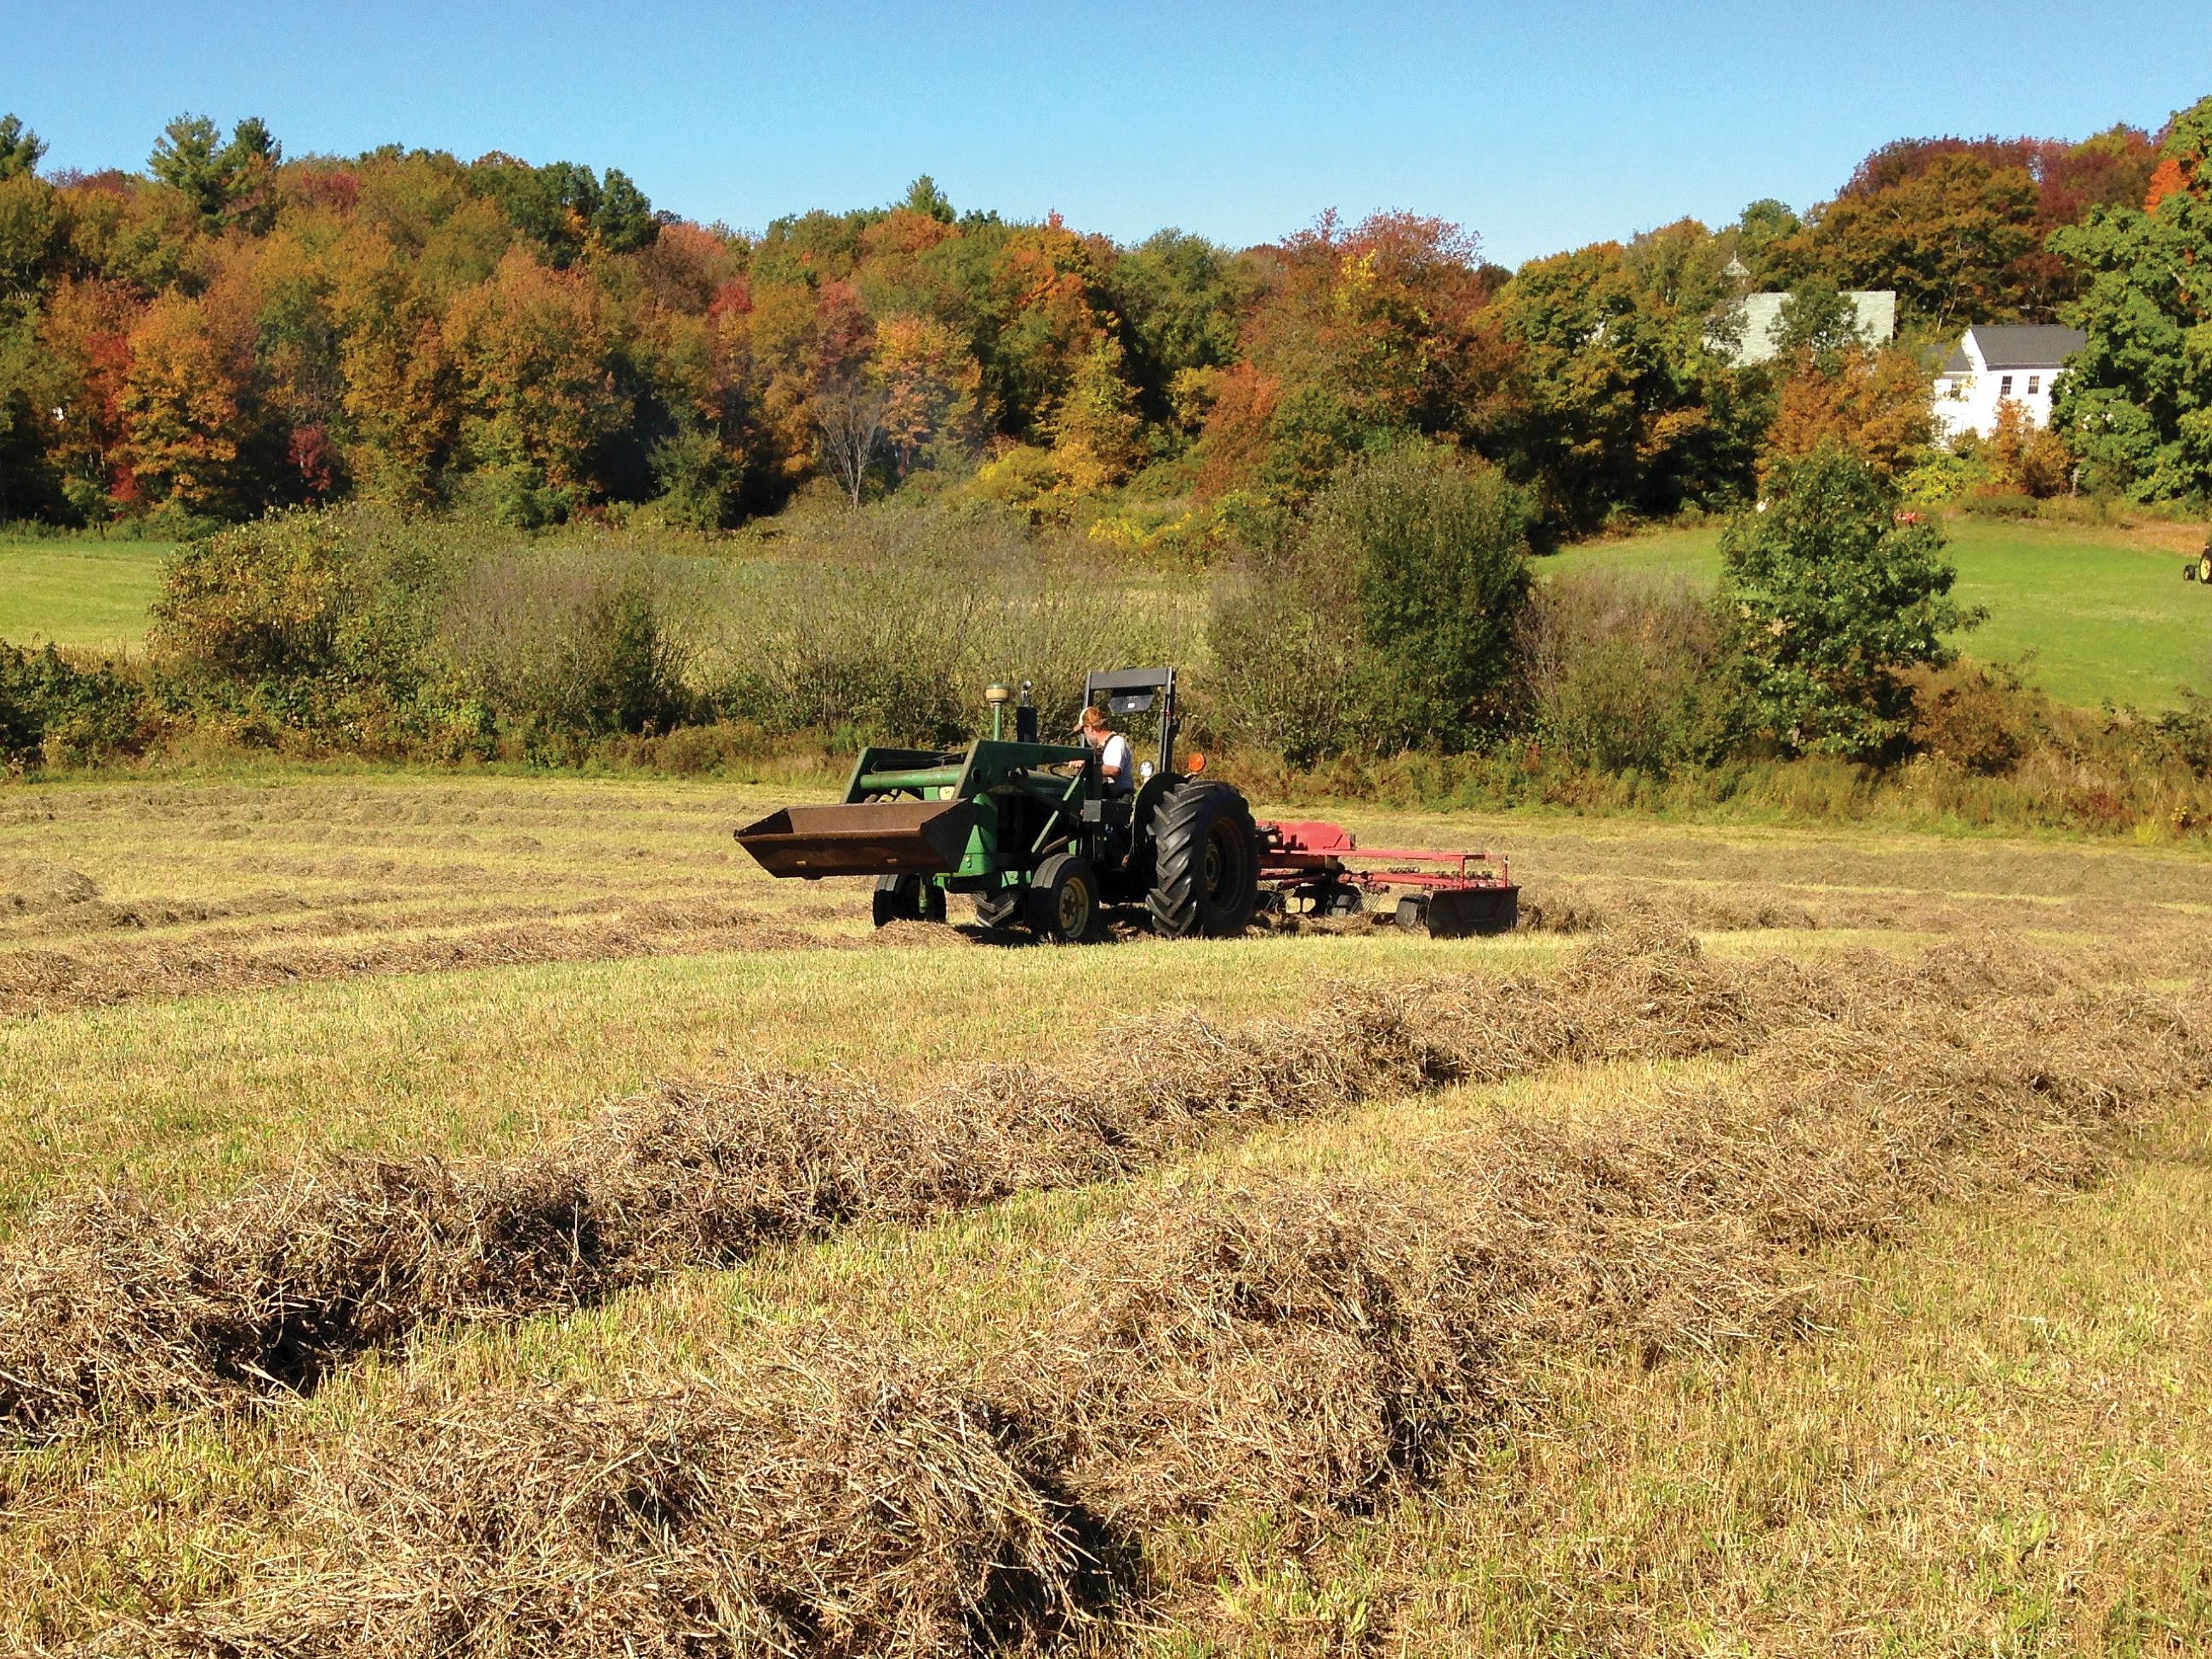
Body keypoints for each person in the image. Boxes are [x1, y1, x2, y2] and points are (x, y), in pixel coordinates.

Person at [1075, 704, 1135, 793]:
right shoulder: (1099, 748)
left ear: (1090, 728)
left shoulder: (1116, 742)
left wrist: (1087, 766)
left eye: (1083, 732)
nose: (1085, 736)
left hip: (1116, 800)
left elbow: (1114, 770)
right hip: (1102, 798)